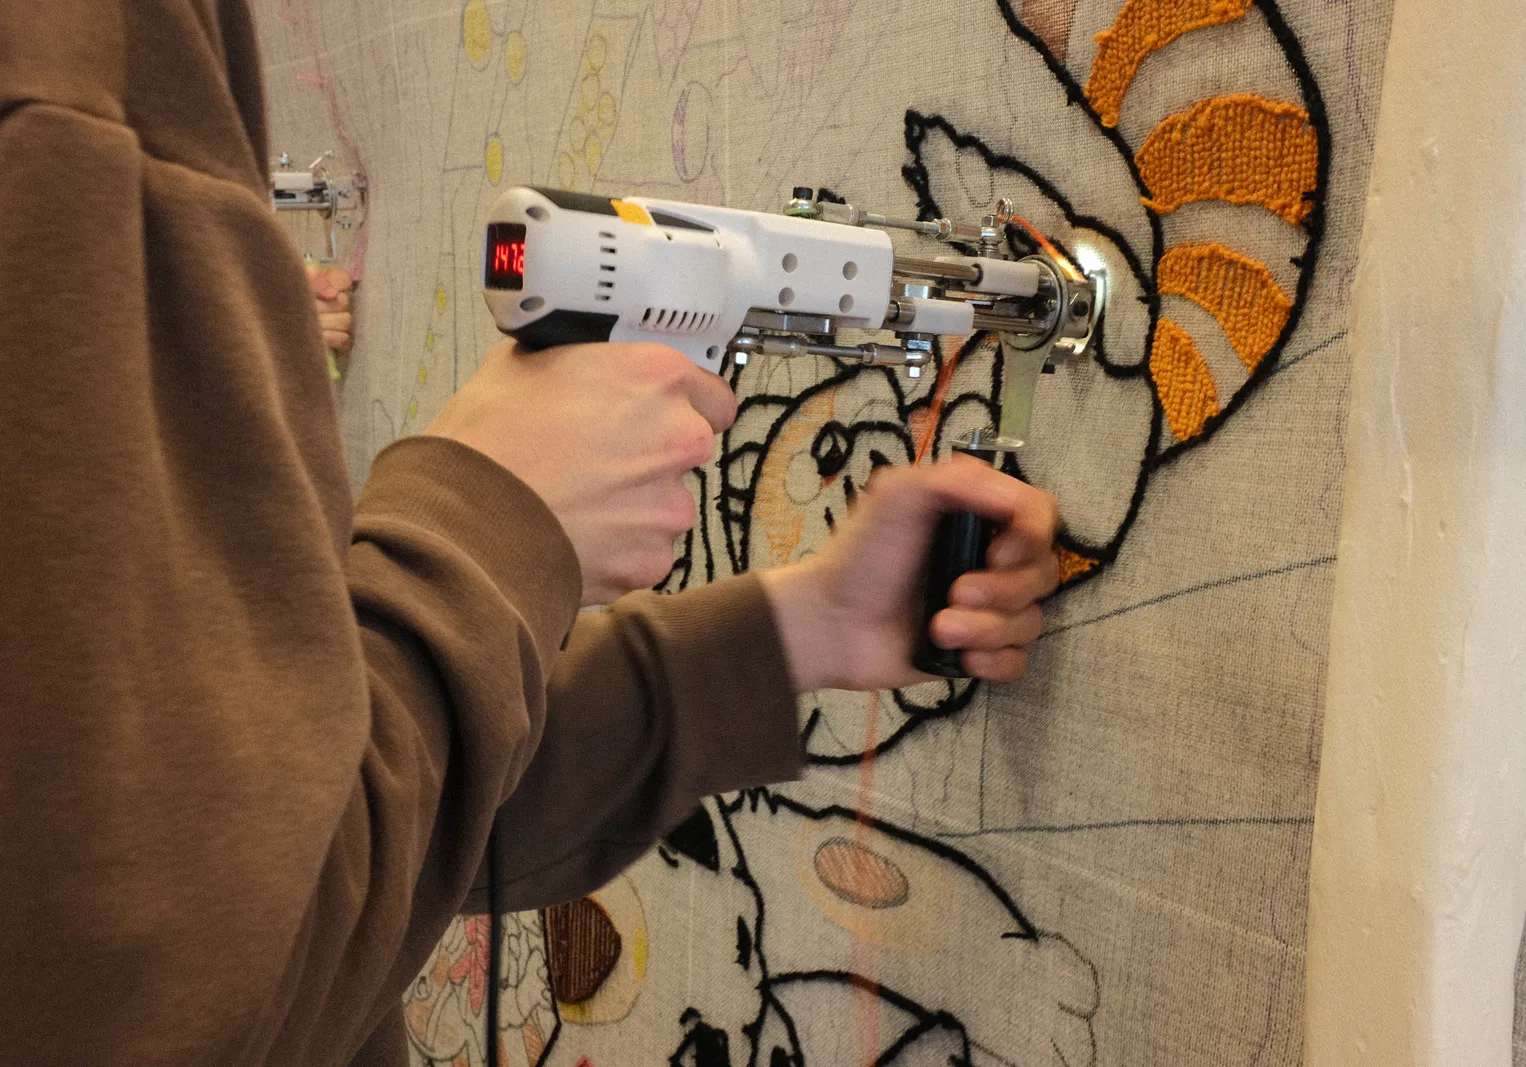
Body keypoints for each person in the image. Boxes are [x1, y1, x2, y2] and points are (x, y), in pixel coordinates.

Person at [0, 2, 1062, 1064]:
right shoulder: (67, 71)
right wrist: (490, 512)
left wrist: (795, 631)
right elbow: (165, 983)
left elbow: (289, 829)